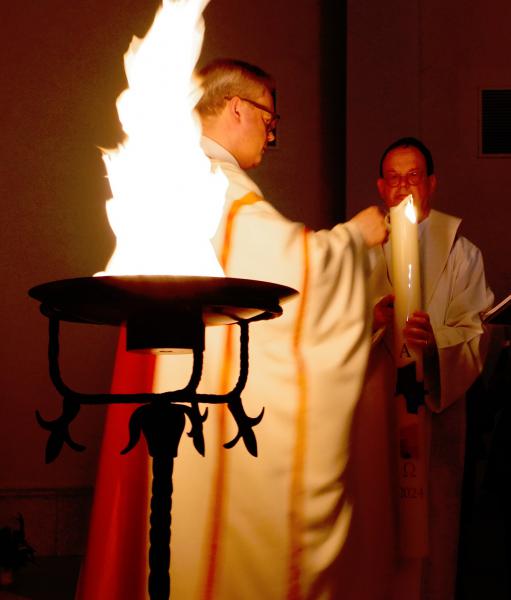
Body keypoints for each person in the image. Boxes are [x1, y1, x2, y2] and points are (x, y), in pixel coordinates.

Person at [76, 59, 387, 600]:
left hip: (174, 377)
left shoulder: (183, 169)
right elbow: (290, 269)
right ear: (237, 107)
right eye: (270, 118)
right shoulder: (209, 179)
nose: (273, 132)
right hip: (196, 396)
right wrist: (355, 238)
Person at [349, 137, 494, 600]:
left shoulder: (462, 252)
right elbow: (328, 322)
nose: (404, 186)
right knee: (375, 525)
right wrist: (368, 323)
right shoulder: (359, 249)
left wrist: (433, 349)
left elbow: (475, 333)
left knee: (433, 525)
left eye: (413, 176)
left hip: (436, 412)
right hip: (372, 413)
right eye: (394, 177)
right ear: (380, 186)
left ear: (432, 183)